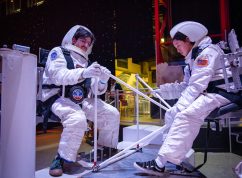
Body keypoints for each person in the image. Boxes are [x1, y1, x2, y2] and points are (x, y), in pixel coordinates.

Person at [134, 21, 233, 175]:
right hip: (210, 93)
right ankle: (173, 159)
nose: (177, 49)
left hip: (223, 93)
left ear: (189, 39)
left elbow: (196, 86)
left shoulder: (206, 53)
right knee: (171, 114)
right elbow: (185, 87)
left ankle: (159, 164)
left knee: (185, 115)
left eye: (179, 45)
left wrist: (180, 107)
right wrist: (160, 91)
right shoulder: (193, 59)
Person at [41, 25, 120, 177]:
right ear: (74, 40)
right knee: (77, 119)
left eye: (88, 43)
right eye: (82, 41)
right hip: (59, 97)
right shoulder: (59, 52)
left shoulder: (87, 62)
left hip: (81, 100)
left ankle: (105, 148)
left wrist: (103, 81)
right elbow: (58, 75)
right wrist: (84, 72)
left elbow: (95, 90)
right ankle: (62, 158)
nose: (85, 45)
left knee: (111, 113)